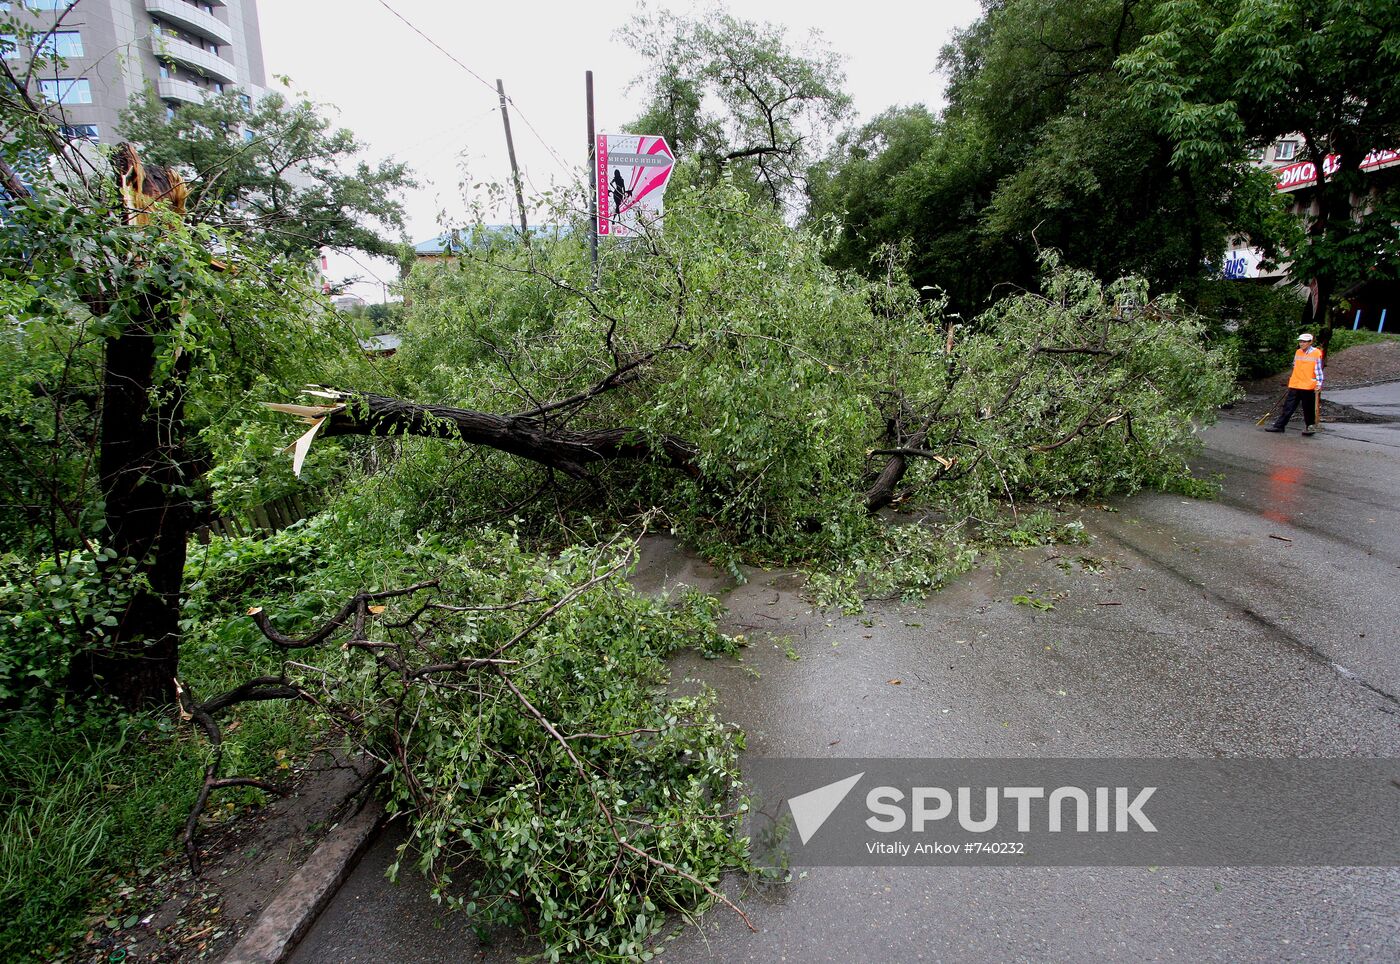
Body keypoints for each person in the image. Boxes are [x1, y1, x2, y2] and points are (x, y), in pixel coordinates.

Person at [1264, 333, 1324, 435]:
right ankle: (1279, 426)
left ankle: (1309, 428)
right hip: (1296, 384)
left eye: (1304, 342)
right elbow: (1295, 366)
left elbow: (1318, 370)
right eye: (1300, 341)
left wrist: (1319, 383)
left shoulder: (1316, 353)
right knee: (1288, 407)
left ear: (1310, 342)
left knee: (1308, 409)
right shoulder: (1298, 352)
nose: (1301, 343)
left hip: (1308, 386)